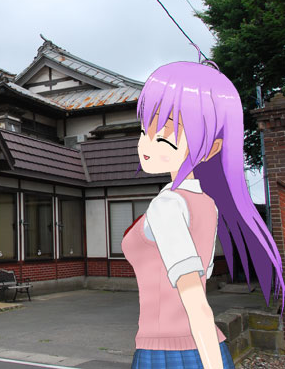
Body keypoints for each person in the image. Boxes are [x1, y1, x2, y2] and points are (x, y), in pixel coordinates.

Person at [121, 59, 284, 369]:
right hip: (198, 346)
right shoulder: (207, 204)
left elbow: (194, 299)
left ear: (211, 148)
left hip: (169, 352)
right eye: (144, 131)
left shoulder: (168, 205)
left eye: (163, 137)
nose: (146, 145)